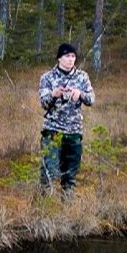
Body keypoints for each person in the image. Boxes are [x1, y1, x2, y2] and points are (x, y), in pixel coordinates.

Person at [38, 42, 95, 195]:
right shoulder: (47, 77)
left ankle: (68, 210)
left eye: (73, 56)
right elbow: (43, 102)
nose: (71, 59)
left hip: (74, 132)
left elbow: (91, 99)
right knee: (48, 172)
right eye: (67, 56)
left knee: (70, 175)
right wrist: (54, 94)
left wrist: (80, 95)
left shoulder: (82, 77)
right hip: (52, 131)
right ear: (59, 58)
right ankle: (44, 207)